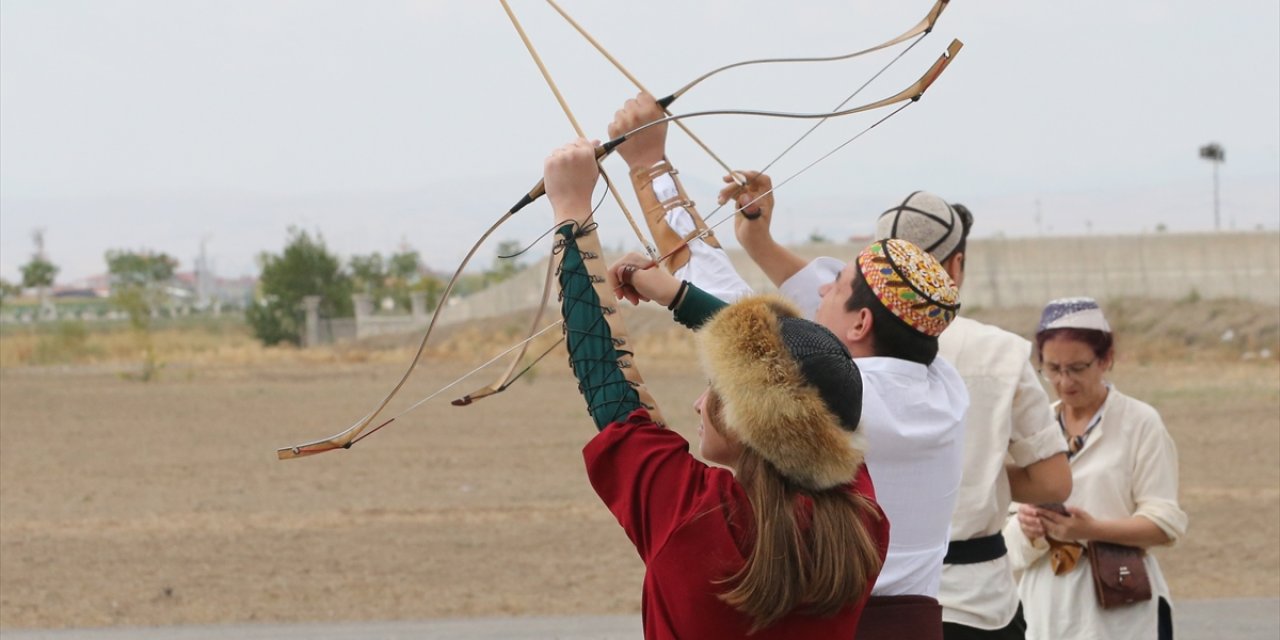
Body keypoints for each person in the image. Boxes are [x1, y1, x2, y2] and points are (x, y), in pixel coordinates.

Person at [610, 92, 968, 639]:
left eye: (835, 287)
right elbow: (796, 315)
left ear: (860, 326)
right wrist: (758, 238)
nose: (816, 288)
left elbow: (729, 304)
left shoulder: (841, 396)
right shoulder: (943, 385)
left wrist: (649, 166)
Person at [542, 137, 889, 640]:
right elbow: (809, 401)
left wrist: (571, 207)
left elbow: (606, 378)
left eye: (717, 386)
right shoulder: (861, 524)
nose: (700, 402)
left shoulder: (690, 513)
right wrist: (671, 291)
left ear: (751, 418)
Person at [866, 197, 1074, 639]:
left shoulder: (846, 343)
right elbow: (1054, 482)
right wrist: (981, 475)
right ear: (955, 265)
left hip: (874, 600)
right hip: (978, 604)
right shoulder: (1000, 350)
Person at [1003, 298, 1187, 640]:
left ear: (1106, 359)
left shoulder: (1139, 422)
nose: (1064, 381)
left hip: (1123, 607)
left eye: (1077, 368)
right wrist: (1027, 528)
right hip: (1047, 608)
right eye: (1052, 368)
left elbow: (1164, 524)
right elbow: (1007, 547)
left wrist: (1091, 528)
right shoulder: (1034, 426)